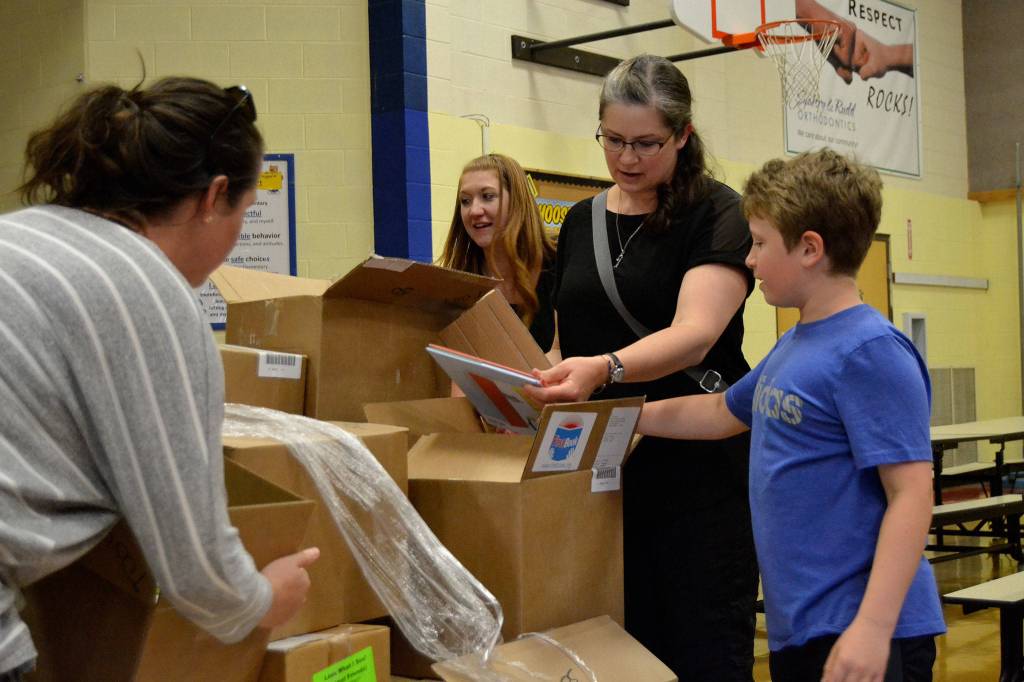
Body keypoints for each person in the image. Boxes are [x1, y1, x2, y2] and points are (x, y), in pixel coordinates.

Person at [0, 77, 319, 680]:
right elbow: (191, 561)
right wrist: (261, 599)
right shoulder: (146, 287)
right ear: (214, 195)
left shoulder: (21, 234)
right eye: (244, 217)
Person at [640, 149, 946, 682]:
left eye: (758, 244)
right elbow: (719, 412)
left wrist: (872, 628)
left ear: (809, 249)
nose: (750, 260)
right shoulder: (795, 345)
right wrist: (625, 416)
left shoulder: (870, 351)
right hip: (802, 629)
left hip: (863, 629)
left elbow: (912, 494)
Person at [525, 55, 759, 679]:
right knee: (615, 642)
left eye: (647, 143)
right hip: (601, 467)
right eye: (614, 140)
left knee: (701, 643)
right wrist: (534, 382)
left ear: (683, 135)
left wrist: (602, 369)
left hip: (693, 462)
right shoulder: (580, 221)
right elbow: (560, 341)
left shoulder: (718, 213)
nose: (628, 159)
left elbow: (693, 335)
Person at [437, 153, 557, 351]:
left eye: (487, 197)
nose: (474, 210)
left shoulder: (557, 264)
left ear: (517, 201)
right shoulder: (462, 279)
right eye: (465, 201)